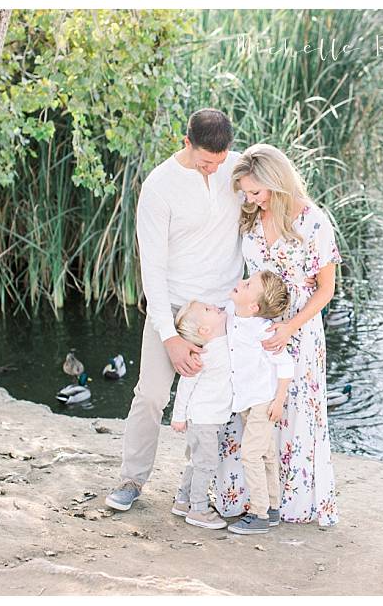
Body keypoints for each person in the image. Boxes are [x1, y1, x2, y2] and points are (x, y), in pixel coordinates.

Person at [105, 108, 244, 511]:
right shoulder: (160, 186)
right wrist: (169, 336)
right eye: (205, 162)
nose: (211, 170)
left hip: (221, 312)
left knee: (217, 402)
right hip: (174, 307)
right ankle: (132, 479)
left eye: (218, 162)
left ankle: (197, 487)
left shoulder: (234, 169)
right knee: (150, 394)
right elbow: (153, 267)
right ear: (186, 143)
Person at [215, 143, 341, 526]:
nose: (251, 199)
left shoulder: (313, 221)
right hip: (252, 328)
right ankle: (245, 497)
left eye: (256, 191)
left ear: (276, 182)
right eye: (246, 193)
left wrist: (289, 326)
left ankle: (291, 502)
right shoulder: (250, 218)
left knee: (292, 412)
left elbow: (326, 289)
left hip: (297, 329)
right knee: (248, 405)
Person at [223, 270, 294, 535]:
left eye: (248, 283)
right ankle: (273, 507)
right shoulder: (231, 313)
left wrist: (279, 401)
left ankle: (258, 514)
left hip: (263, 402)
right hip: (245, 399)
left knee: (251, 454)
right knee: (265, 454)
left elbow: (286, 365)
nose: (240, 282)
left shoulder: (263, 330)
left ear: (254, 306)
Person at [169, 301, 232, 529]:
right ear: (204, 331)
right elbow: (185, 385)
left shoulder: (223, 341)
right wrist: (178, 417)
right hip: (204, 418)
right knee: (206, 463)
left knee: (196, 461)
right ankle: (198, 509)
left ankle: (182, 500)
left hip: (210, 417)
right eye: (208, 310)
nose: (214, 307)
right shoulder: (203, 354)